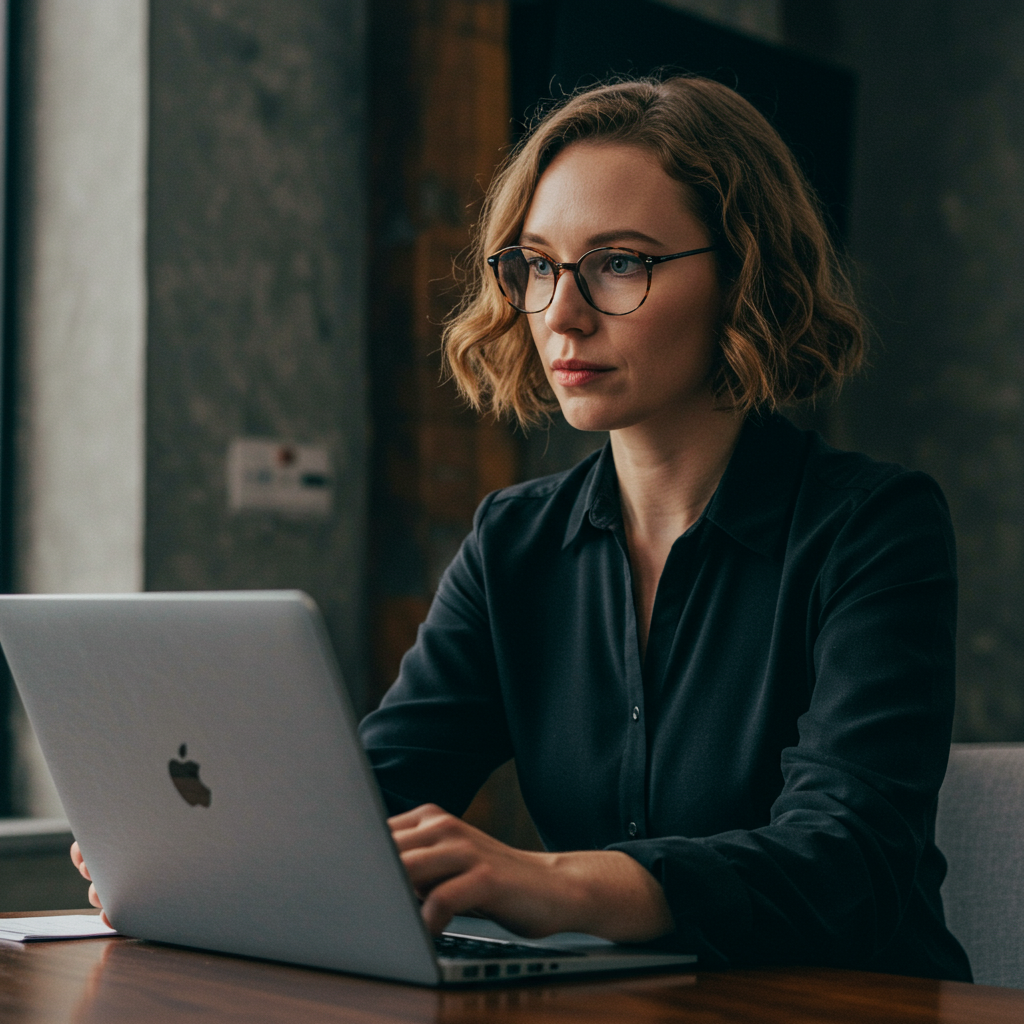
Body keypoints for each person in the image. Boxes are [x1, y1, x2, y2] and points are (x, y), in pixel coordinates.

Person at [74, 75, 972, 982]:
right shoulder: (516, 541)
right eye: (538, 265)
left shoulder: (873, 528)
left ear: (744, 273)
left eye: (620, 263)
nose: (561, 312)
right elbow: (380, 792)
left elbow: (843, 861)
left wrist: (550, 883)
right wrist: (206, 861)